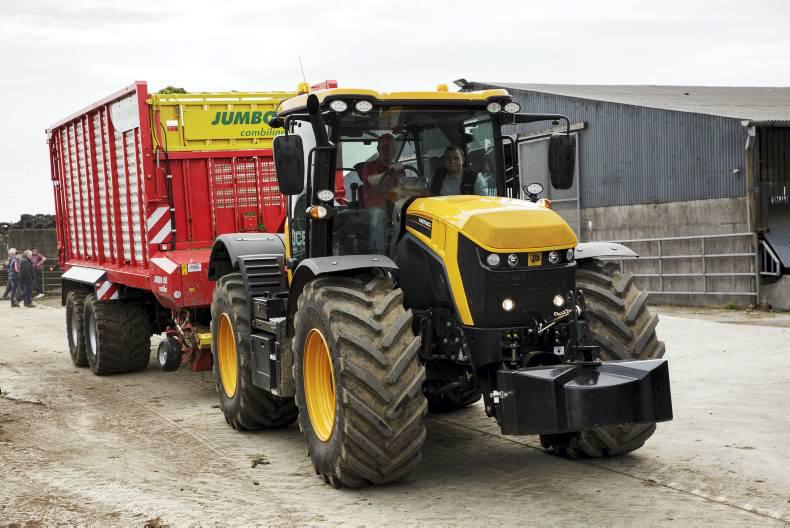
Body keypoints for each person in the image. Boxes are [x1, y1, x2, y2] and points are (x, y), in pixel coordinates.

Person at [360, 133, 402, 253]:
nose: (388, 152)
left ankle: (399, 254)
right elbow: (372, 180)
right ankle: (378, 256)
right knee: (378, 215)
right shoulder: (369, 167)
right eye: (384, 148)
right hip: (374, 209)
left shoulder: (398, 169)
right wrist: (389, 172)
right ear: (378, 149)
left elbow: (403, 188)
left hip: (394, 208)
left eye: (391, 148)